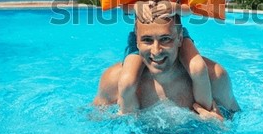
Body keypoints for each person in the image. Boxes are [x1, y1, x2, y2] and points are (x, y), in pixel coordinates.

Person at [93, 9, 240, 120]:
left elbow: (237, 122)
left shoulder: (214, 77)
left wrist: (219, 127)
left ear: (180, 38)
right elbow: (94, 122)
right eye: (147, 40)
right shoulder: (114, 80)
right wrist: (118, 120)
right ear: (135, 41)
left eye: (165, 39)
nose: (156, 51)